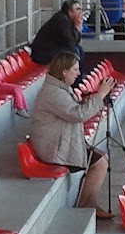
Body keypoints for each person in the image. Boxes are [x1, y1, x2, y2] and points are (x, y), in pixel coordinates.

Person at [29, 51, 110, 217]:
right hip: (54, 147)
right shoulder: (54, 93)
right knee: (100, 162)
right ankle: (85, 204)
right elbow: (77, 115)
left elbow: (71, 110)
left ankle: (89, 202)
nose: (78, 73)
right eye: (75, 69)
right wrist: (100, 95)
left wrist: (84, 102)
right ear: (64, 71)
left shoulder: (58, 88)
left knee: (101, 159)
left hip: (59, 140)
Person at [28, 0, 85, 69]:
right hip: (42, 53)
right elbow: (70, 43)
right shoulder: (61, 20)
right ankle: (73, 74)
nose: (81, 12)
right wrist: (76, 28)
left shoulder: (68, 20)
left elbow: (75, 42)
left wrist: (77, 28)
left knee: (79, 49)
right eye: (78, 9)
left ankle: (78, 74)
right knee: (74, 51)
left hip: (53, 49)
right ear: (70, 12)